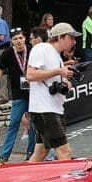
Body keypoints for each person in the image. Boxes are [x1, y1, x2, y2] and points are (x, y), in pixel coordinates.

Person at [0, 28, 36, 165]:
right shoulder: (7, 53)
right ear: (11, 41)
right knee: (13, 124)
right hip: (18, 94)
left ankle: (31, 153)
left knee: (34, 124)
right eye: (15, 39)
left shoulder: (32, 50)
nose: (19, 41)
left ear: (25, 39)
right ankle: (4, 155)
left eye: (21, 38)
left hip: (35, 93)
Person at [26, 22, 78, 162]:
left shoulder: (57, 56)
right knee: (64, 152)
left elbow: (49, 81)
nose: (74, 41)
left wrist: (65, 83)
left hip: (50, 108)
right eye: (71, 37)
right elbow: (30, 75)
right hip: (46, 109)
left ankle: (25, 180)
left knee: (41, 151)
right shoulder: (42, 48)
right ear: (60, 37)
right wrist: (59, 71)